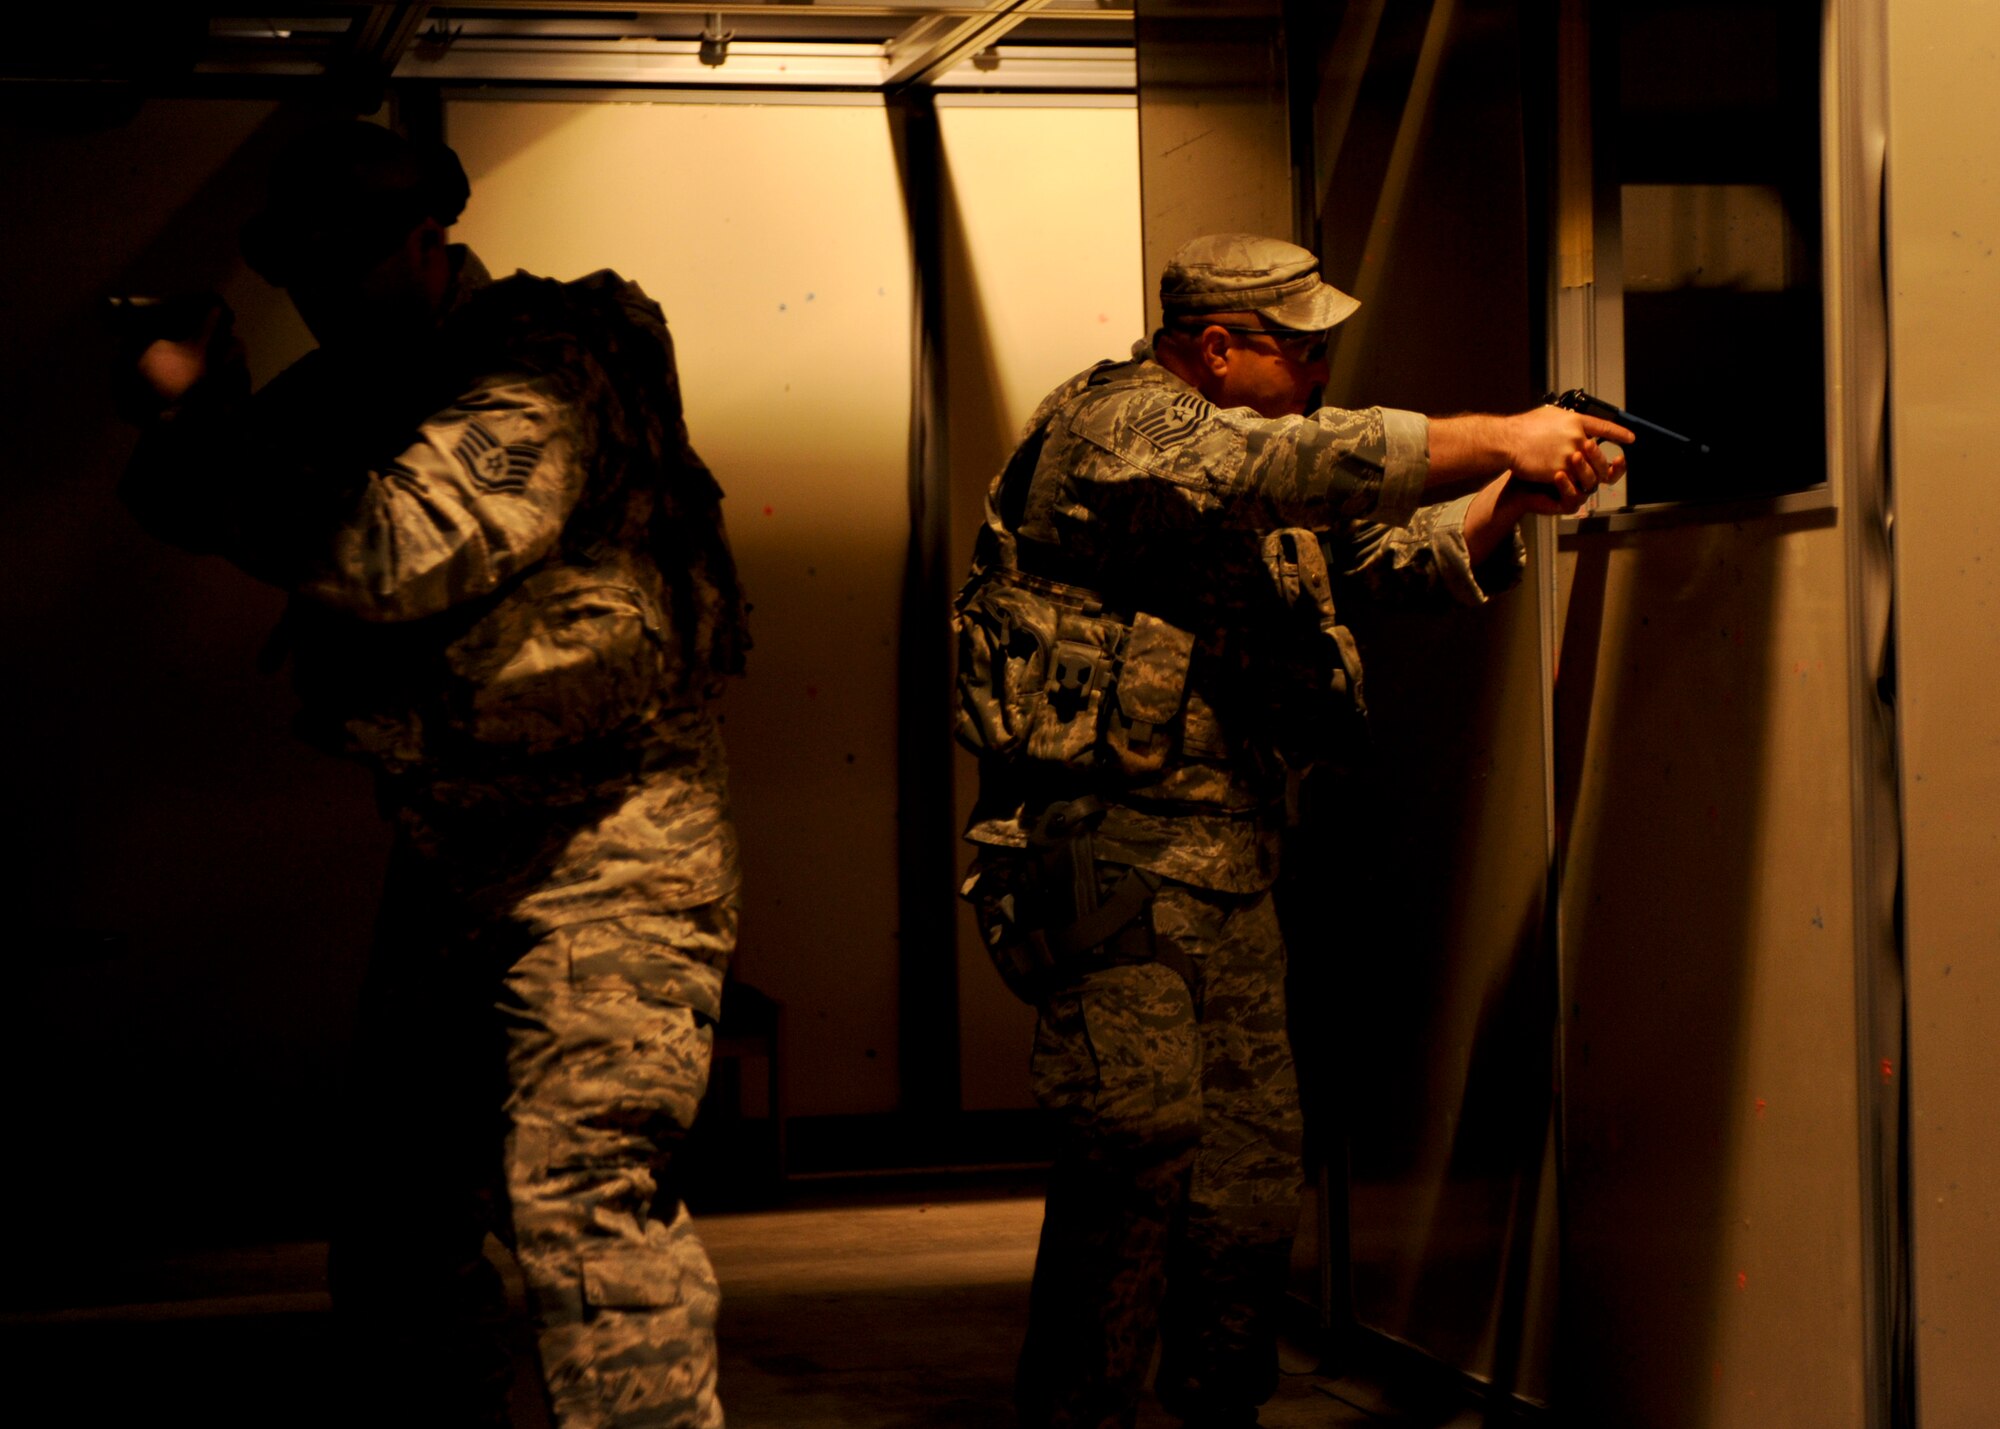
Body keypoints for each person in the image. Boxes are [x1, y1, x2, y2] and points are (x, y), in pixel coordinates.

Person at [120, 121, 749, 1428]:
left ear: (429, 240)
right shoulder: (361, 380)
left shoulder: (548, 364)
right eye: (298, 270)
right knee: (400, 1232)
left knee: (588, 1218)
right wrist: (191, 405)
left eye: (345, 263)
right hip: (458, 856)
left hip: (613, 849)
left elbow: (393, 542)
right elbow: (197, 500)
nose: (319, 294)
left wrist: (226, 432)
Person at [954, 233, 1629, 1429]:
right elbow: (1306, 466)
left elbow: (1385, 555)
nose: (1319, 374)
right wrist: (1495, 431)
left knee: (1247, 1183)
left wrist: (1506, 497)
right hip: (1109, 864)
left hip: (1229, 870)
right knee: (1135, 1156)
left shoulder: (1253, 465)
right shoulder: (1120, 426)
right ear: (1216, 347)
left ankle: (1219, 1408)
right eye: (1301, 352)